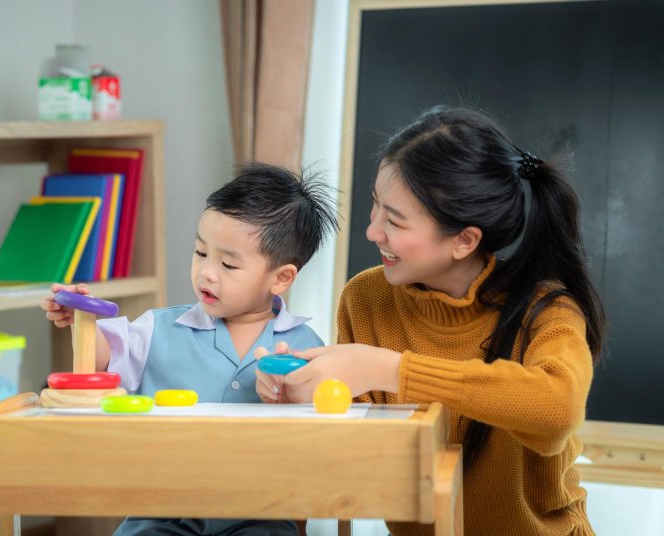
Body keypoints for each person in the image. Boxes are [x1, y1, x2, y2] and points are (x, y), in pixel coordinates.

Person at [255, 106, 606, 536]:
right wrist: (306, 405)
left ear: (464, 240)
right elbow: (365, 463)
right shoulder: (366, 299)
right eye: (375, 207)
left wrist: (392, 369)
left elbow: (556, 410)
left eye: (395, 220)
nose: (373, 232)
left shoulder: (547, 309)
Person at [42, 162, 338, 536]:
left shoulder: (305, 347)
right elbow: (102, 355)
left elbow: (319, 447)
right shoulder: (157, 329)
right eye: (201, 253)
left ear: (281, 278)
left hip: (261, 515)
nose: (207, 273)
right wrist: (82, 317)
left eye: (228, 263)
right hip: (162, 513)